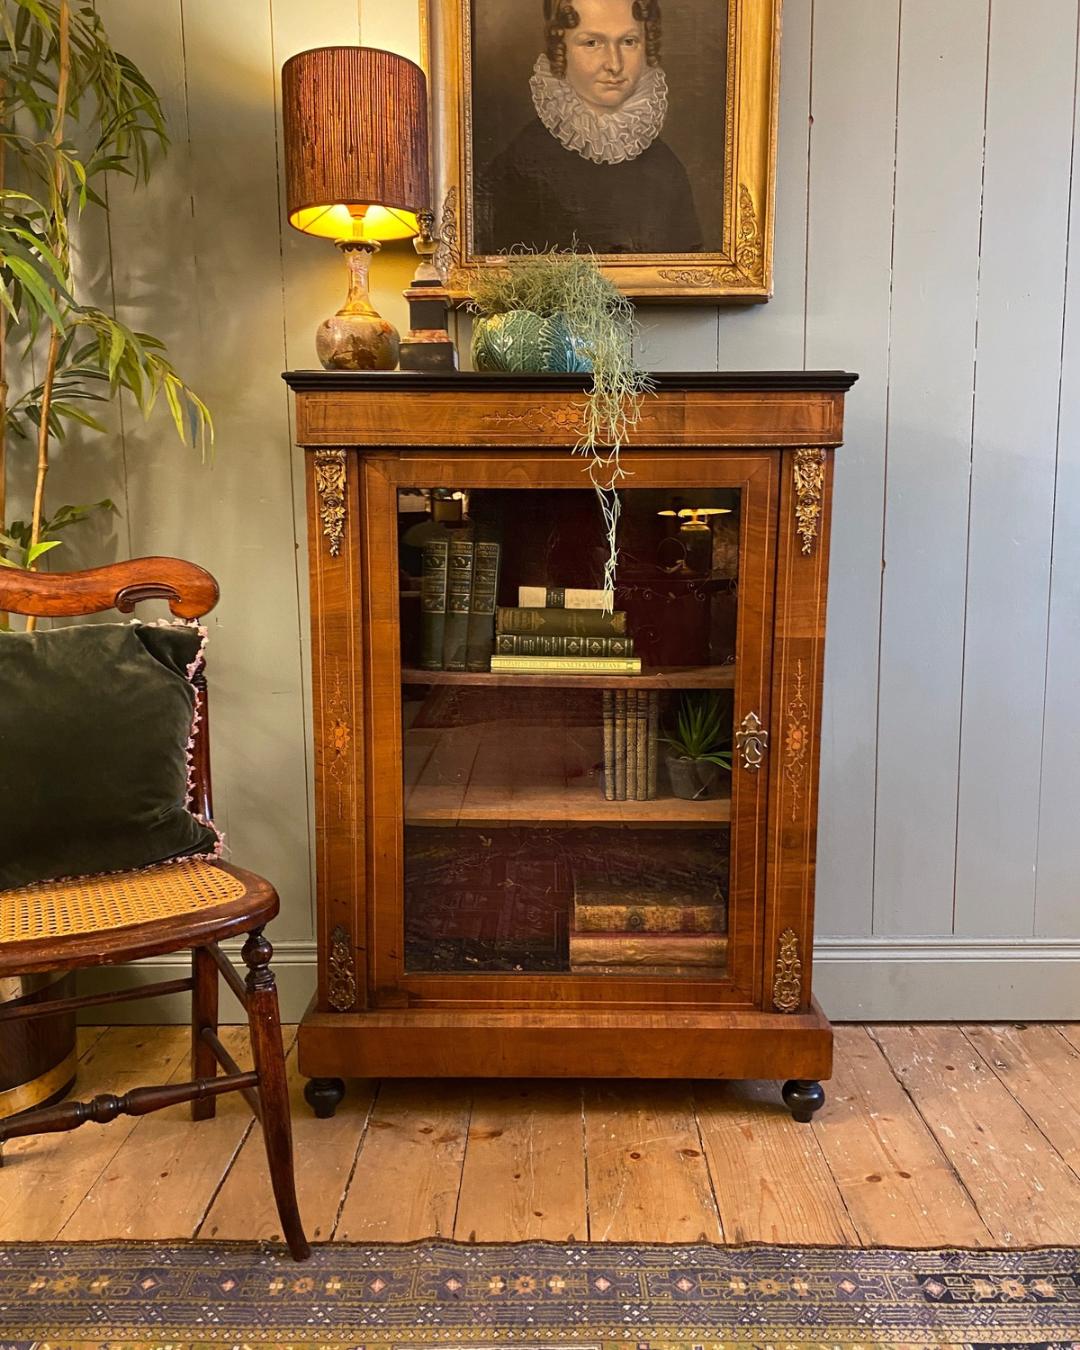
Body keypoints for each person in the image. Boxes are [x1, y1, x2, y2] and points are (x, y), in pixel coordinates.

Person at [477, 0, 703, 255]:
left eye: (628, 41)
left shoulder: (666, 168)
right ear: (560, 49)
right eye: (592, 43)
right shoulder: (521, 165)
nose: (614, 64)